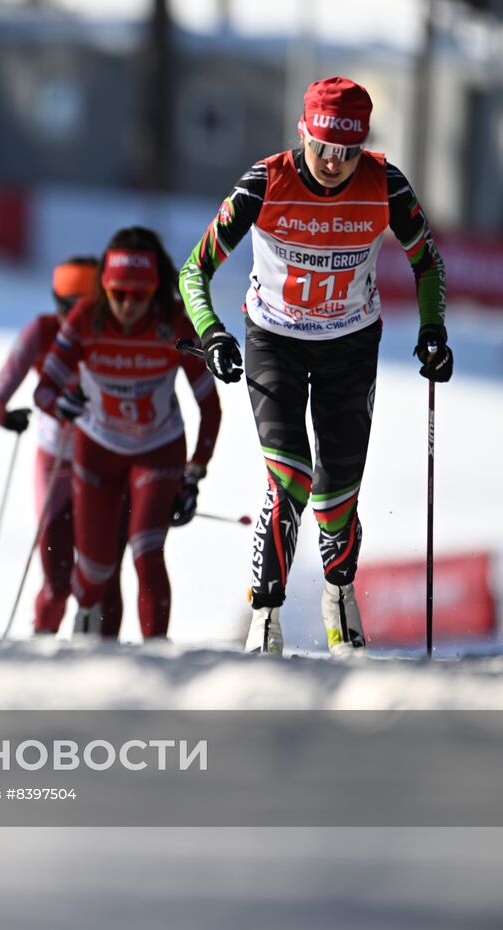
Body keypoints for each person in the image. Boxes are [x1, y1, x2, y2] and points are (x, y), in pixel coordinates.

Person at [179, 76, 450, 656]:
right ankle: (266, 613)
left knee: (335, 499)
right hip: (275, 341)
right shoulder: (265, 181)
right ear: (302, 133)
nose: (333, 162)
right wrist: (213, 333)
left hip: (351, 348)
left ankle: (338, 594)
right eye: (323, 147)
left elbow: (428, 263)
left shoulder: (385, 184)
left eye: (348, 151)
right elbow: (193, 272)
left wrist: (432, 329)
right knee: (291, 476)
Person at [32, 227, 221, 641]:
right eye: (118, 293)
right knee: (96, 571)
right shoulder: (85, 317)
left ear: (156, 290)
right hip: (97, 451)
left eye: (139, 294)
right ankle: (97, 637)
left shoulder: (174, 322)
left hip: (158, 450)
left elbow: (210, 405)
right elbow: (44, 389)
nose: (127, 305)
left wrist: (194, 474)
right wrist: (60, 404)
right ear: (103, 287)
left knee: (146, 550)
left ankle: (156, 653)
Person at [0, 257, 129, 637]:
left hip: (107, 462)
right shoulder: (42, 331)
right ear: (59, 304)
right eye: (71, 308)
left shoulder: (119, 333)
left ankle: (107, 657)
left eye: (91, 307)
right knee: (57, 575)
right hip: (57, 463)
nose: (80, 318)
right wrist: (6, 415)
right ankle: (42, 644)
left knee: (106, 574)